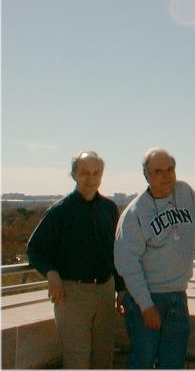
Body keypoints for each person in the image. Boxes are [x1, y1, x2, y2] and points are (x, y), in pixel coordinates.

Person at [114, 147, 195, 369]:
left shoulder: (185, 192)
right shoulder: (135, 213)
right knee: (143, 361)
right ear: (147, 176)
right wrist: (146, 306)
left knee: (173, 363)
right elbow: (127, 264)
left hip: (178, 296)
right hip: (147, 299)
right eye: (158, 171)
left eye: (170, 169)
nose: (166, 175)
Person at [27, 150, 125, 369]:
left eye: (96, 173)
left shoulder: (108, 209)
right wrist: (51, 273)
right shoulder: (60, 211)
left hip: (105, 292)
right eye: (85, 173)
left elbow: (115, 252)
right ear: (74, 175)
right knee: (76, 360)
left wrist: (121, 288)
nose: (91, 179)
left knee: (103, 358)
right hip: (72, 294)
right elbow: (35, 249)